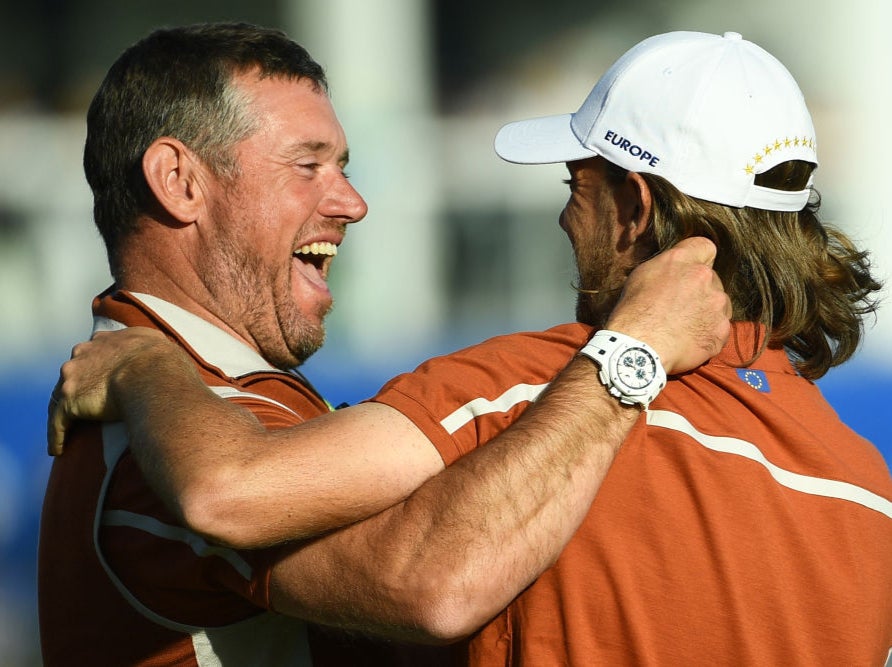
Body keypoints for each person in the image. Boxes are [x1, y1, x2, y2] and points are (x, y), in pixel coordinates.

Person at [51, 30, 892, 665]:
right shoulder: (865, 487)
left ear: (634, 208)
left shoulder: (517, 393)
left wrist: (145, 365)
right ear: (178, 181)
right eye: (308, 165)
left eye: (576, 184)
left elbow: (392, 562)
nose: (353, 202)